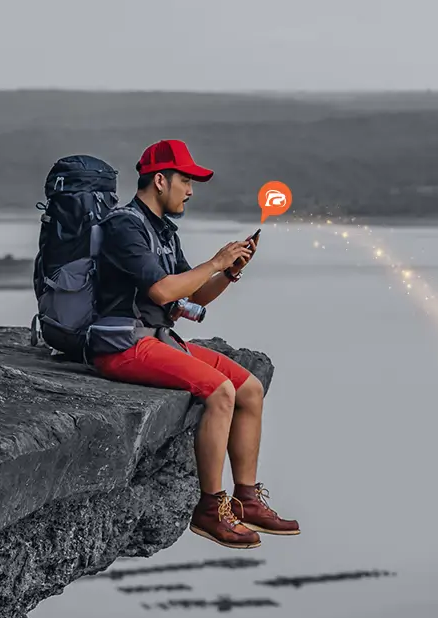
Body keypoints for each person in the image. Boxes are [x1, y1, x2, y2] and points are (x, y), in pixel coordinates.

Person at [93, 138, 298, 549]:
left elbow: (192, 297)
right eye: (185, 180)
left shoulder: (163, 231)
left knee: (249, 389)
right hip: (122, 345)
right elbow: (162, 292)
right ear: (159, 179)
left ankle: (247, 499)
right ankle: (209, 508)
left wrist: (229, 272)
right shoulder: (125, 226)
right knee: (220, 391)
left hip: (158, 339)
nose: (190, 190)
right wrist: (216, 261)